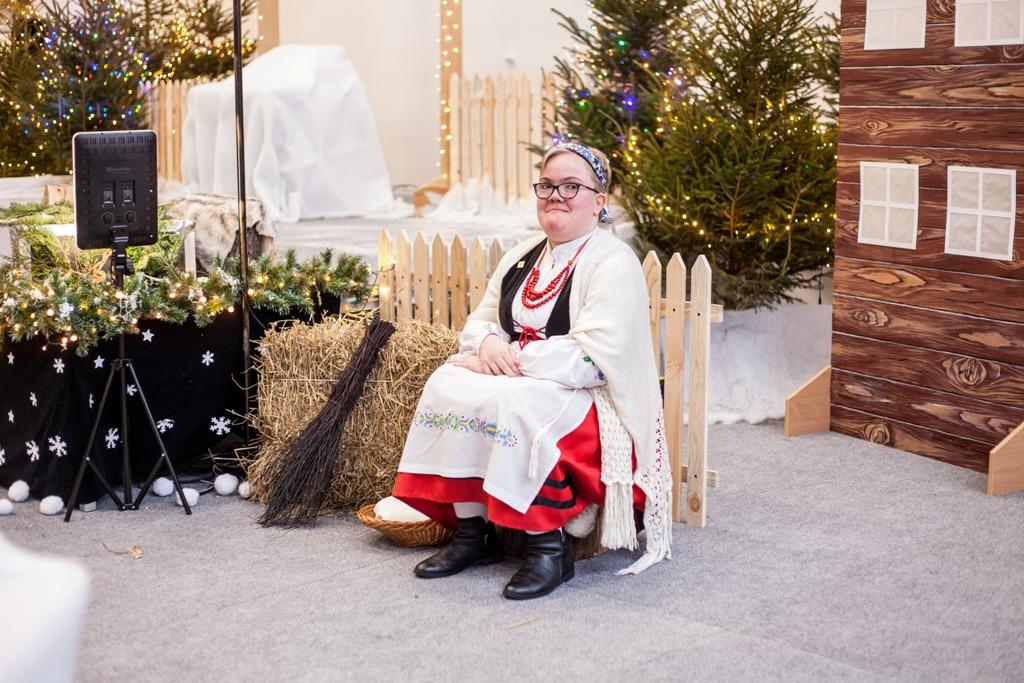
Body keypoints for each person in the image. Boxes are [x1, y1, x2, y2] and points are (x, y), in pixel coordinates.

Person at [392, 141, 671, 600]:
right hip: (525, 381)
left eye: (571, 186)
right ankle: (472, 533)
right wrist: (487, 344)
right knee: (446, 383)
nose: (555, 195)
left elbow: (593, 359)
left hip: (589, 399)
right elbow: (481, 322)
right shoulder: (523, 255)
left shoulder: (612, 262)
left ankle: (549, 549)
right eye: (547, 185)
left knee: (520, 401)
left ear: (599, 201)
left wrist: (512, 359)